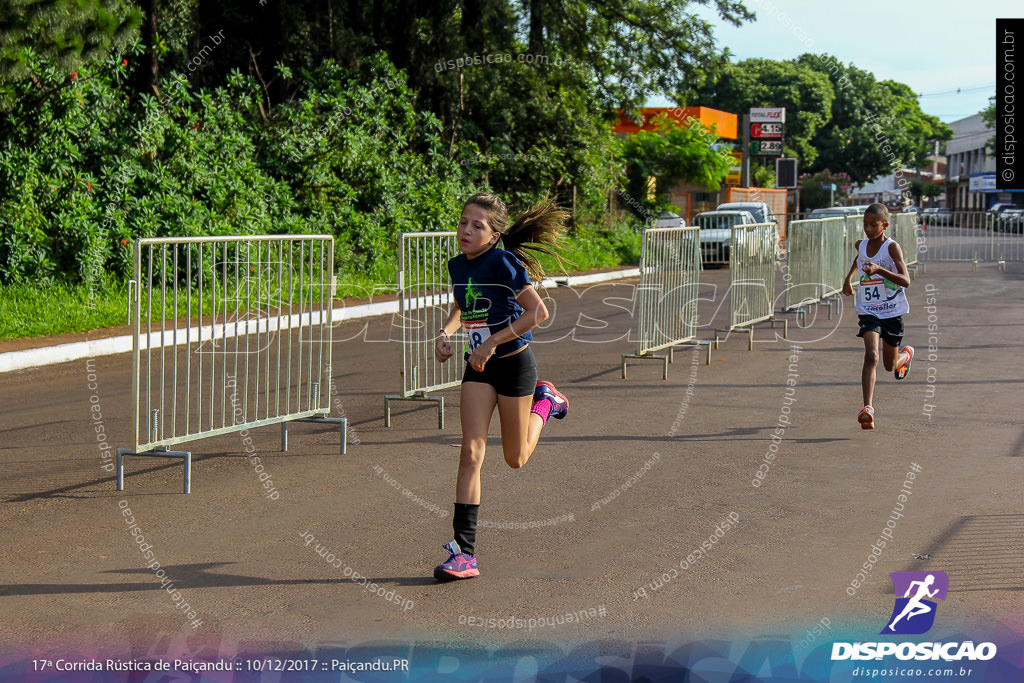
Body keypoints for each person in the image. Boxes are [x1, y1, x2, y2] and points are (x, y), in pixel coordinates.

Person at [432, 192, 569, 581]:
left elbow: (536, 312)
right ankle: (465, 553)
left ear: (493, 236)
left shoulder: (504, 262)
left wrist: (492, 342)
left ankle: (545, 401)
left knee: (515, 458)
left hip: (513, 365)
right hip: (479, 369)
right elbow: (465, 304)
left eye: (477, 225)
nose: (466, 230)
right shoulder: (458, 265)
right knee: (470, 452)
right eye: (463, 222)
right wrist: (445, 332)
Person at [842, 202, 914, 430]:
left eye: (874, 225)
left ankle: (906, 356)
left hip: (892, 311)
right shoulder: (860, 245)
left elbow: (906, 280)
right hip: (869, 310)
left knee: (889, 365)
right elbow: (859, 258)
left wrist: (879, 270)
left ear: (884, 225)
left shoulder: (892, 247)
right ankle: (867, 408)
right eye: (865, 224)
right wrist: (848, 278)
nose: (868, 229)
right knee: (871, 355)